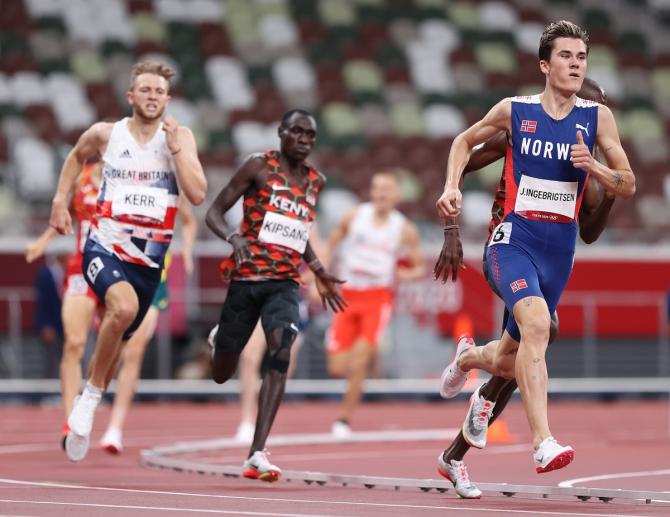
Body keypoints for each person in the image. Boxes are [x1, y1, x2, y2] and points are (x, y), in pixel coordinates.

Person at [436, 20, 635, 481]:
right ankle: (542, 441)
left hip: (557, 255)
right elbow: (464, 144)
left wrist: (597, 171)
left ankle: (467, 361)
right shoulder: (517, 116)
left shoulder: (596, 126)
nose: (576, 65)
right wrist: (450, 206)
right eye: (567, 57)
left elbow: (617, 197)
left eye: (582, 58)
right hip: (511, 241)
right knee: (538, 325)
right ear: (546, 65)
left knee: (512, 356)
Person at [49, 60, 207, 462]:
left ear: (167, 100)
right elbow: (75, 157)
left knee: (120, 335)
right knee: (123, 308)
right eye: (145, 90)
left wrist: (175, 151)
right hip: (104, 246)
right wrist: (59, 201)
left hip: (148, 262)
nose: (152, 97)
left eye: (159, 91)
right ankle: (88, 399)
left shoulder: (180, 136)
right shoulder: (107, 134)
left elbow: (198, 194)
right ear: (131, 96)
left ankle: (93, 390)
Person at [205, 109, 346, 482]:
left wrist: (318, 272)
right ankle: (220, 340)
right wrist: (233, 238)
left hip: (285, 283)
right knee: (222, 373)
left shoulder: (316, 181)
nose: (304, 139)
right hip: (247, 278)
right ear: (281, 132)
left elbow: (297, 234)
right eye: (296, 132)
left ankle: (256, 451)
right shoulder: (258, 166)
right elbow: (214, 212)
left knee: (281, 351)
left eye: (310, 135)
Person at [323, 170, 424, 438]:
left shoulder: (403, 229)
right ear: (371, 191)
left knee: (358, 363)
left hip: (378, 298)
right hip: (347, 295)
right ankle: (365, 360)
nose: (381, 194)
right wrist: (319, 275)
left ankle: (343, 420)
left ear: (397, 195)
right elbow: (331, 241)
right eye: (377, 188)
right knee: (337, 367)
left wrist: (405, 274)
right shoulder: (355, 216)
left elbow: (419, 267)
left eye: (387, 189)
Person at [99, 196, 197, 454]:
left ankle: (114, 429)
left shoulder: (170, 190)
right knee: (112, 348)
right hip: (122, 271)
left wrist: (186, 250)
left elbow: (189, 220)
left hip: (154, 282)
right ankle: (93, 397)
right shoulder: (126, 183)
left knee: (133, 351)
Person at [26, 161, 102, 443]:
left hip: (118, 264)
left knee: (109, 343)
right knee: (73, 343)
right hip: (82, 266)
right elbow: (65, 214)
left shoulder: (132, 173)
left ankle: (92, 394)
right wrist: (41, 243)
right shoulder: (82, 176)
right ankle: (71, 419)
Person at [234, 224, 322, 443]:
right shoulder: (255, 212)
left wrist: (304, 280)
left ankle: (264, 416)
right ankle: (246, 420)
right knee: (249, 355)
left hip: (289, 297)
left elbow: (318, 262)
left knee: (282, 362)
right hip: (258, 293)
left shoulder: (305, 220)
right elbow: (237, 249)